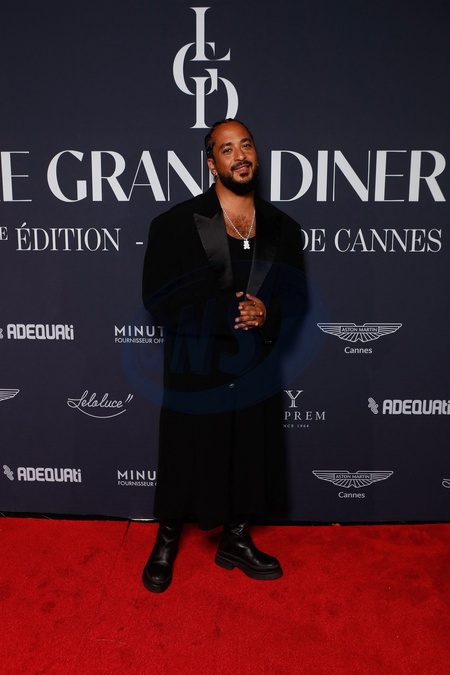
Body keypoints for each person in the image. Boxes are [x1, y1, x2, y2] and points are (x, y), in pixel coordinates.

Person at [141, 119, 306, 593]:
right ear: (212, 163)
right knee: (184, 452)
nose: (240, 155)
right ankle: (167, 537)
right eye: (227, 149)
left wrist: (267, 315)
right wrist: (223, 315)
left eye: (246, 145)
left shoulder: (284, 229)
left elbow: (295, 299)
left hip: (254, 366)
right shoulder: (174, 225)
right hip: (195, 364)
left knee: (249, 451)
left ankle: (236, 538)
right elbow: (157, 298)